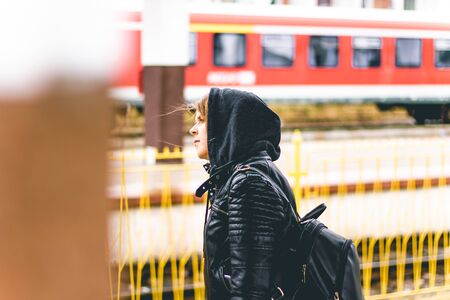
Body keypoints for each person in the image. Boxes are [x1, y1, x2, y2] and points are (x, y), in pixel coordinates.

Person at [190, 88, 301, 299]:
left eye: (201, 121)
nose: (192, 130)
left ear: (228, 125)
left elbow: (251, 290)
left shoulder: (249, 184)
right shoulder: (249, 173)